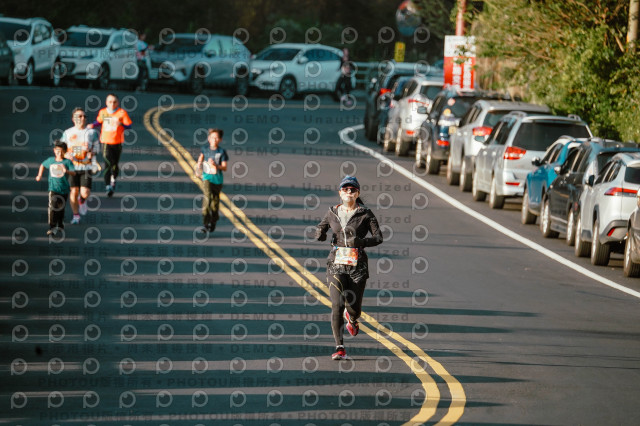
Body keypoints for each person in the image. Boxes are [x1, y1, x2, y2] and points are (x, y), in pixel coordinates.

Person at [315, 176, 383, 360]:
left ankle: (352, 318)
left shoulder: (365, 214)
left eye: (352, 190)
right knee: (336, 305)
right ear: (340, 193)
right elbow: (321, 228)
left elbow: (378, 237)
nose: (349, 192)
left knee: (354, 308)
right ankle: (340, 348)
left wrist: (360, 242)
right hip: (336, 264)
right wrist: (320, 233)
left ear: (357, 193)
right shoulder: (332, 212)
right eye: (345, 189)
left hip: (357, 266)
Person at [62, 107, 100, 224]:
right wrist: (65, 155)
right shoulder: (67, 133)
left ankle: (82, 200)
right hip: (72, 167)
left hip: (86, 167)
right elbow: (61, 149)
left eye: (84, 116)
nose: (83, 118)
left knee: (85, 192)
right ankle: (76, 216)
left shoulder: (92, 133)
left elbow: (97, 148)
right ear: (73, 119)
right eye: (79, 116)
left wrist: (92, 153)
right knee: (73, 191)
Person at [90, 93, 132, 197]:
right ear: (106, 102)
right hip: (106, 141)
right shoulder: (103, 112)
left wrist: (121, 124)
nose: (112, 104)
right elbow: (99, 121)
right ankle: (108, 185)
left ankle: (113, 179)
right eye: (110, 102)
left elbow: (129, 126)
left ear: (118, 103)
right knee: (107, 163)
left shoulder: (122, 113)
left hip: (117, 142)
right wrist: (92, 125)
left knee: (114, 164)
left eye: (114, 102)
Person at [36, 140, 76, 236]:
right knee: (53, 207)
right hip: (53, 188)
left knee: (60, 208)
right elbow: (42, 165)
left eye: (61, 151)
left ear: (65, 151)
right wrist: (39, 175)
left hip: (64, 189)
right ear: (54, 150)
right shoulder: (51, 160)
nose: (59, 152)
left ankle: (60, 224)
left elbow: (74, 172)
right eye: (57, 150)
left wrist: (66, 171)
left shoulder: (67, 162)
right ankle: (52, 227)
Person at [195, 128, 228, 233]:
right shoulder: (205, 149)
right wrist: (198, 169)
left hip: (217, 180)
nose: (214, 140)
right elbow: (200, 159)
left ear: (220, 140)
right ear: (209, 138)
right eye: (212, 137)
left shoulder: (221, 152)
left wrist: (216, 165)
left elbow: (224, 167)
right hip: (207, 178)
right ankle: (205, 224)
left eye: (216, 138)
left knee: (215, 204)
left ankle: (213, 221)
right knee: (207, 198)